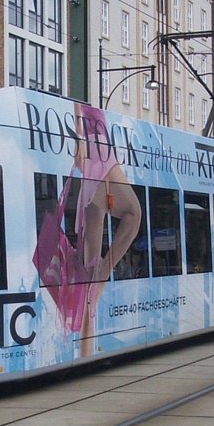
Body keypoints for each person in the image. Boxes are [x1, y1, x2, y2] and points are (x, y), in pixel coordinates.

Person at [67, 103, 142, 356]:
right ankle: (104, 272)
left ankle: (85, 352)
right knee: (134, 213)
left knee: (89, 279)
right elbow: (77, 111)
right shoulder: (82, 111)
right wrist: (80, 143)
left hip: (93, 152)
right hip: (96, 150)